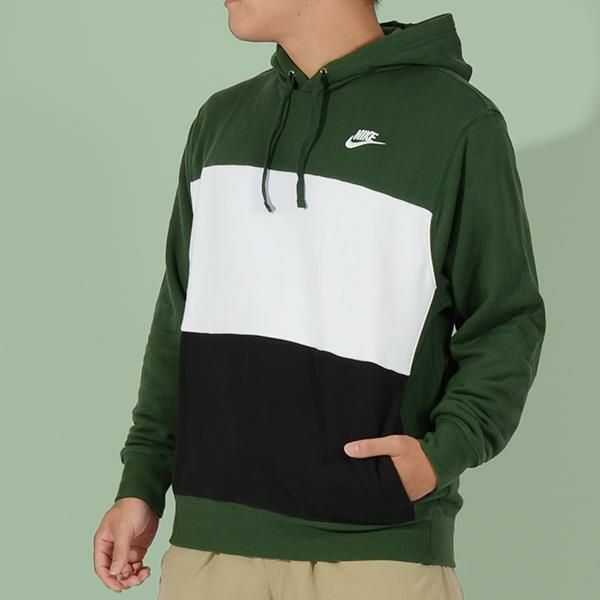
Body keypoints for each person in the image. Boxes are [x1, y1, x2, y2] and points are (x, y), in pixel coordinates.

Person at [93, 1, 546, 598]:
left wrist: (441, 455)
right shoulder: (221, 121)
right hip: (209, 551)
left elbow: (506, 320)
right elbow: (180, 317)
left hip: (375, 553)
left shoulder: (456, 124)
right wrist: (141, 484)